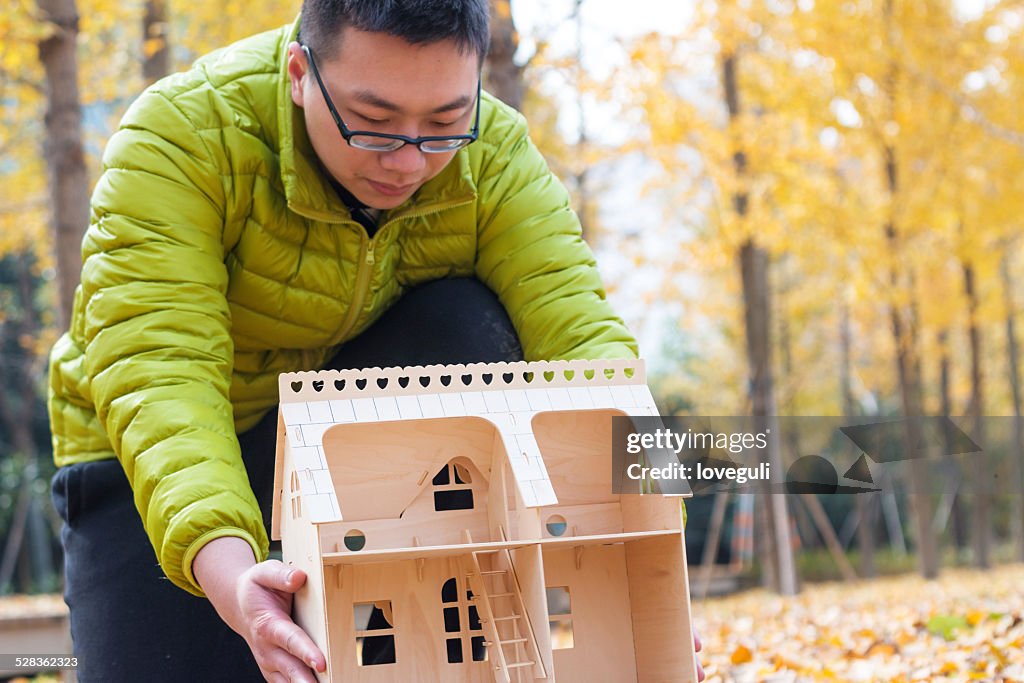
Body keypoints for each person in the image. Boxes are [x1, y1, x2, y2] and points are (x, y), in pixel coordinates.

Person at [48, 0, 702, 681]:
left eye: (446, 124)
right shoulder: (179, 134)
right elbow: (160, 369)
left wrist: (651, 575)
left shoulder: (496, 154)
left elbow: (585, 348)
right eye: (375, 126)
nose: (410, 161)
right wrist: (233, 575)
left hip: (353, 450)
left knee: (464, 319)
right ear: (301, 72)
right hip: (155, 458)